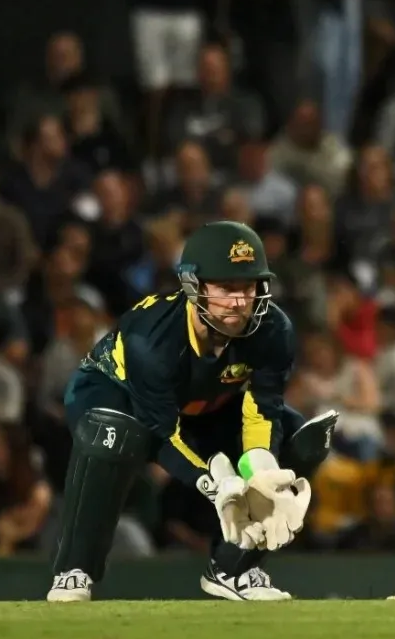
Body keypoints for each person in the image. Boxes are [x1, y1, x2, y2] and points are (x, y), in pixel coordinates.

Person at [46, 220, 337, 602]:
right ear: (193, 285)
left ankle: (235, 569)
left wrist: (261, 474)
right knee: (112, 435)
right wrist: (218, 483)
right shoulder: (151, 339)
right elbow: (163, 432)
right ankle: (74, 571)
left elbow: (262, 410)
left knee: (300, 439)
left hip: (201, 401)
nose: (239, 302)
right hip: (114, 395)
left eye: (248, 287)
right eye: (226, 288)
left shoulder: (273, 329)